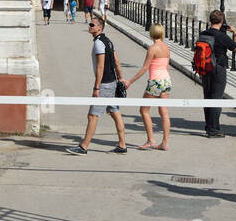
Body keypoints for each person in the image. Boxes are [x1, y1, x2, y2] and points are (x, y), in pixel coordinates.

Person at [66, 14, 128, 155]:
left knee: (93, 116)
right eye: (90, 24)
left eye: (92, 25)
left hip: (105, 84)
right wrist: (121, 78)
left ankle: (84, 147)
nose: (89, 26)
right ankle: (122, 145)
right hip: (112, 81)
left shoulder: (99, 43)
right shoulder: (108, 41)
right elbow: (117, 62)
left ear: (99, 28)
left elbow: (100, 67)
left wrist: (96, 87)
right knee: (115, 112)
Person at [126, 23, 172, 150]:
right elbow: (166, 66)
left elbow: (145, 68)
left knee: (144, 110)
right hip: (166, 80)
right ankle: (165, 143)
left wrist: (130, 81)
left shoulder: (153, 48)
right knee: (164, 112)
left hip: (155, 80)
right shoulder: (167, 48)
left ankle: (151, 140)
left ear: (151, 33)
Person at [196, 8, 236, 138]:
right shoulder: (222, 36)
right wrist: (235, 33)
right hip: (218, 69)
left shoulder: (203, 33)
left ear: (210, 20)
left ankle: (209, 126)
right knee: (216, 98)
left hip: (205, 68)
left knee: (208, 97)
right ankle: (214, 130)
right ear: (222, 21)